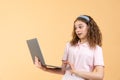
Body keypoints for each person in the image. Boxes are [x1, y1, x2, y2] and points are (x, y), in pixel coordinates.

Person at [35, 15, 104, 80]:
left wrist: (76, 72)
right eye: (75, 28)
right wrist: (45, 68)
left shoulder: (96, 49)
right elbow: (63, 71)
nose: (77, 30)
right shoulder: (69, 45)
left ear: (89, 27)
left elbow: (100, 76)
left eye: (80, 27)